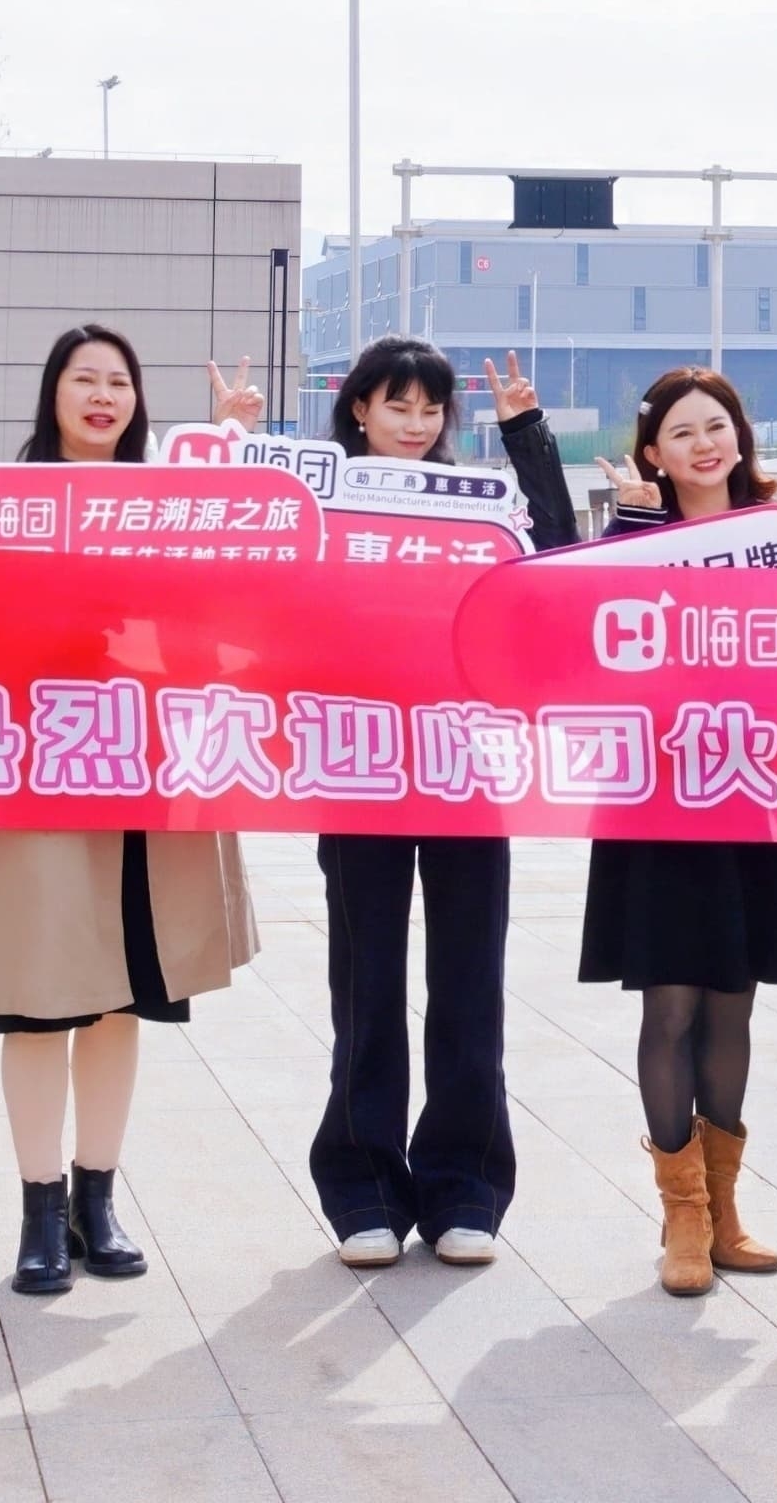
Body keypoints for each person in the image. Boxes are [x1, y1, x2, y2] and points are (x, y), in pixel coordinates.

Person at [0, 326, 260, 1297]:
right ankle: (39, 1211)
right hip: (38, 775)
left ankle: (97, 1198)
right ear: (52, 393)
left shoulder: (168, 499)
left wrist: (225, 444)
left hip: (145, 774)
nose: (101, 396)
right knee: (39, 997)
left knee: (123, 995)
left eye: (117, 381)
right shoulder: (3, 503)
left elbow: (229, 595)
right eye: (82, 379)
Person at [314, 336, 578, 1270]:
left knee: (469, 984)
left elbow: (558, 557)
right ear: (358, 408)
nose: (416, 424)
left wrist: (526, 432)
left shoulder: (475, 500)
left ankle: (465, 1186)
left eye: (430, 409)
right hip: (359, 765)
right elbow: (243, 561)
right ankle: (363, 1188)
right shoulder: (320, 496)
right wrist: (229, 443)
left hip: (466, 763)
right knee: (366, 985)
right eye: (397, 405)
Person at [581, 366, 777, 1297]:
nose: (703, 444)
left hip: (748, 787)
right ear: (653, 453)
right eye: (681, 432)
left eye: (715, 426)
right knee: (670, 1005)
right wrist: (629, 531)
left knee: (733, 1001)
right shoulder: (633, 536)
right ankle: (679, 1215)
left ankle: (723, 1211)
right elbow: (586, 636)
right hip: (655, 794)